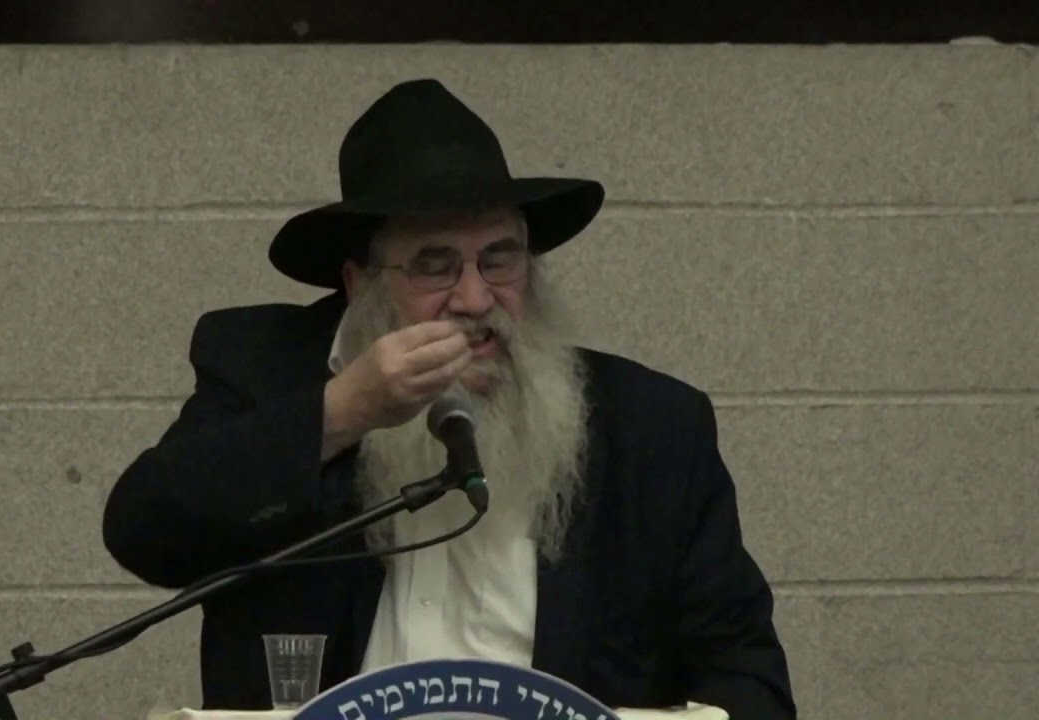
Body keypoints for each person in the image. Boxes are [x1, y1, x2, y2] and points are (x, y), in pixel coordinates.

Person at [102, 78, 796, 720]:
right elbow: (145, 533)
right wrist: (342, 413)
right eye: (435, 266)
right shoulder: (267, 373)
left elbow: (748, 677)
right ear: (359, 283)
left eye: (499, 258)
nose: (474, 297)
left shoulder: (651, 427)